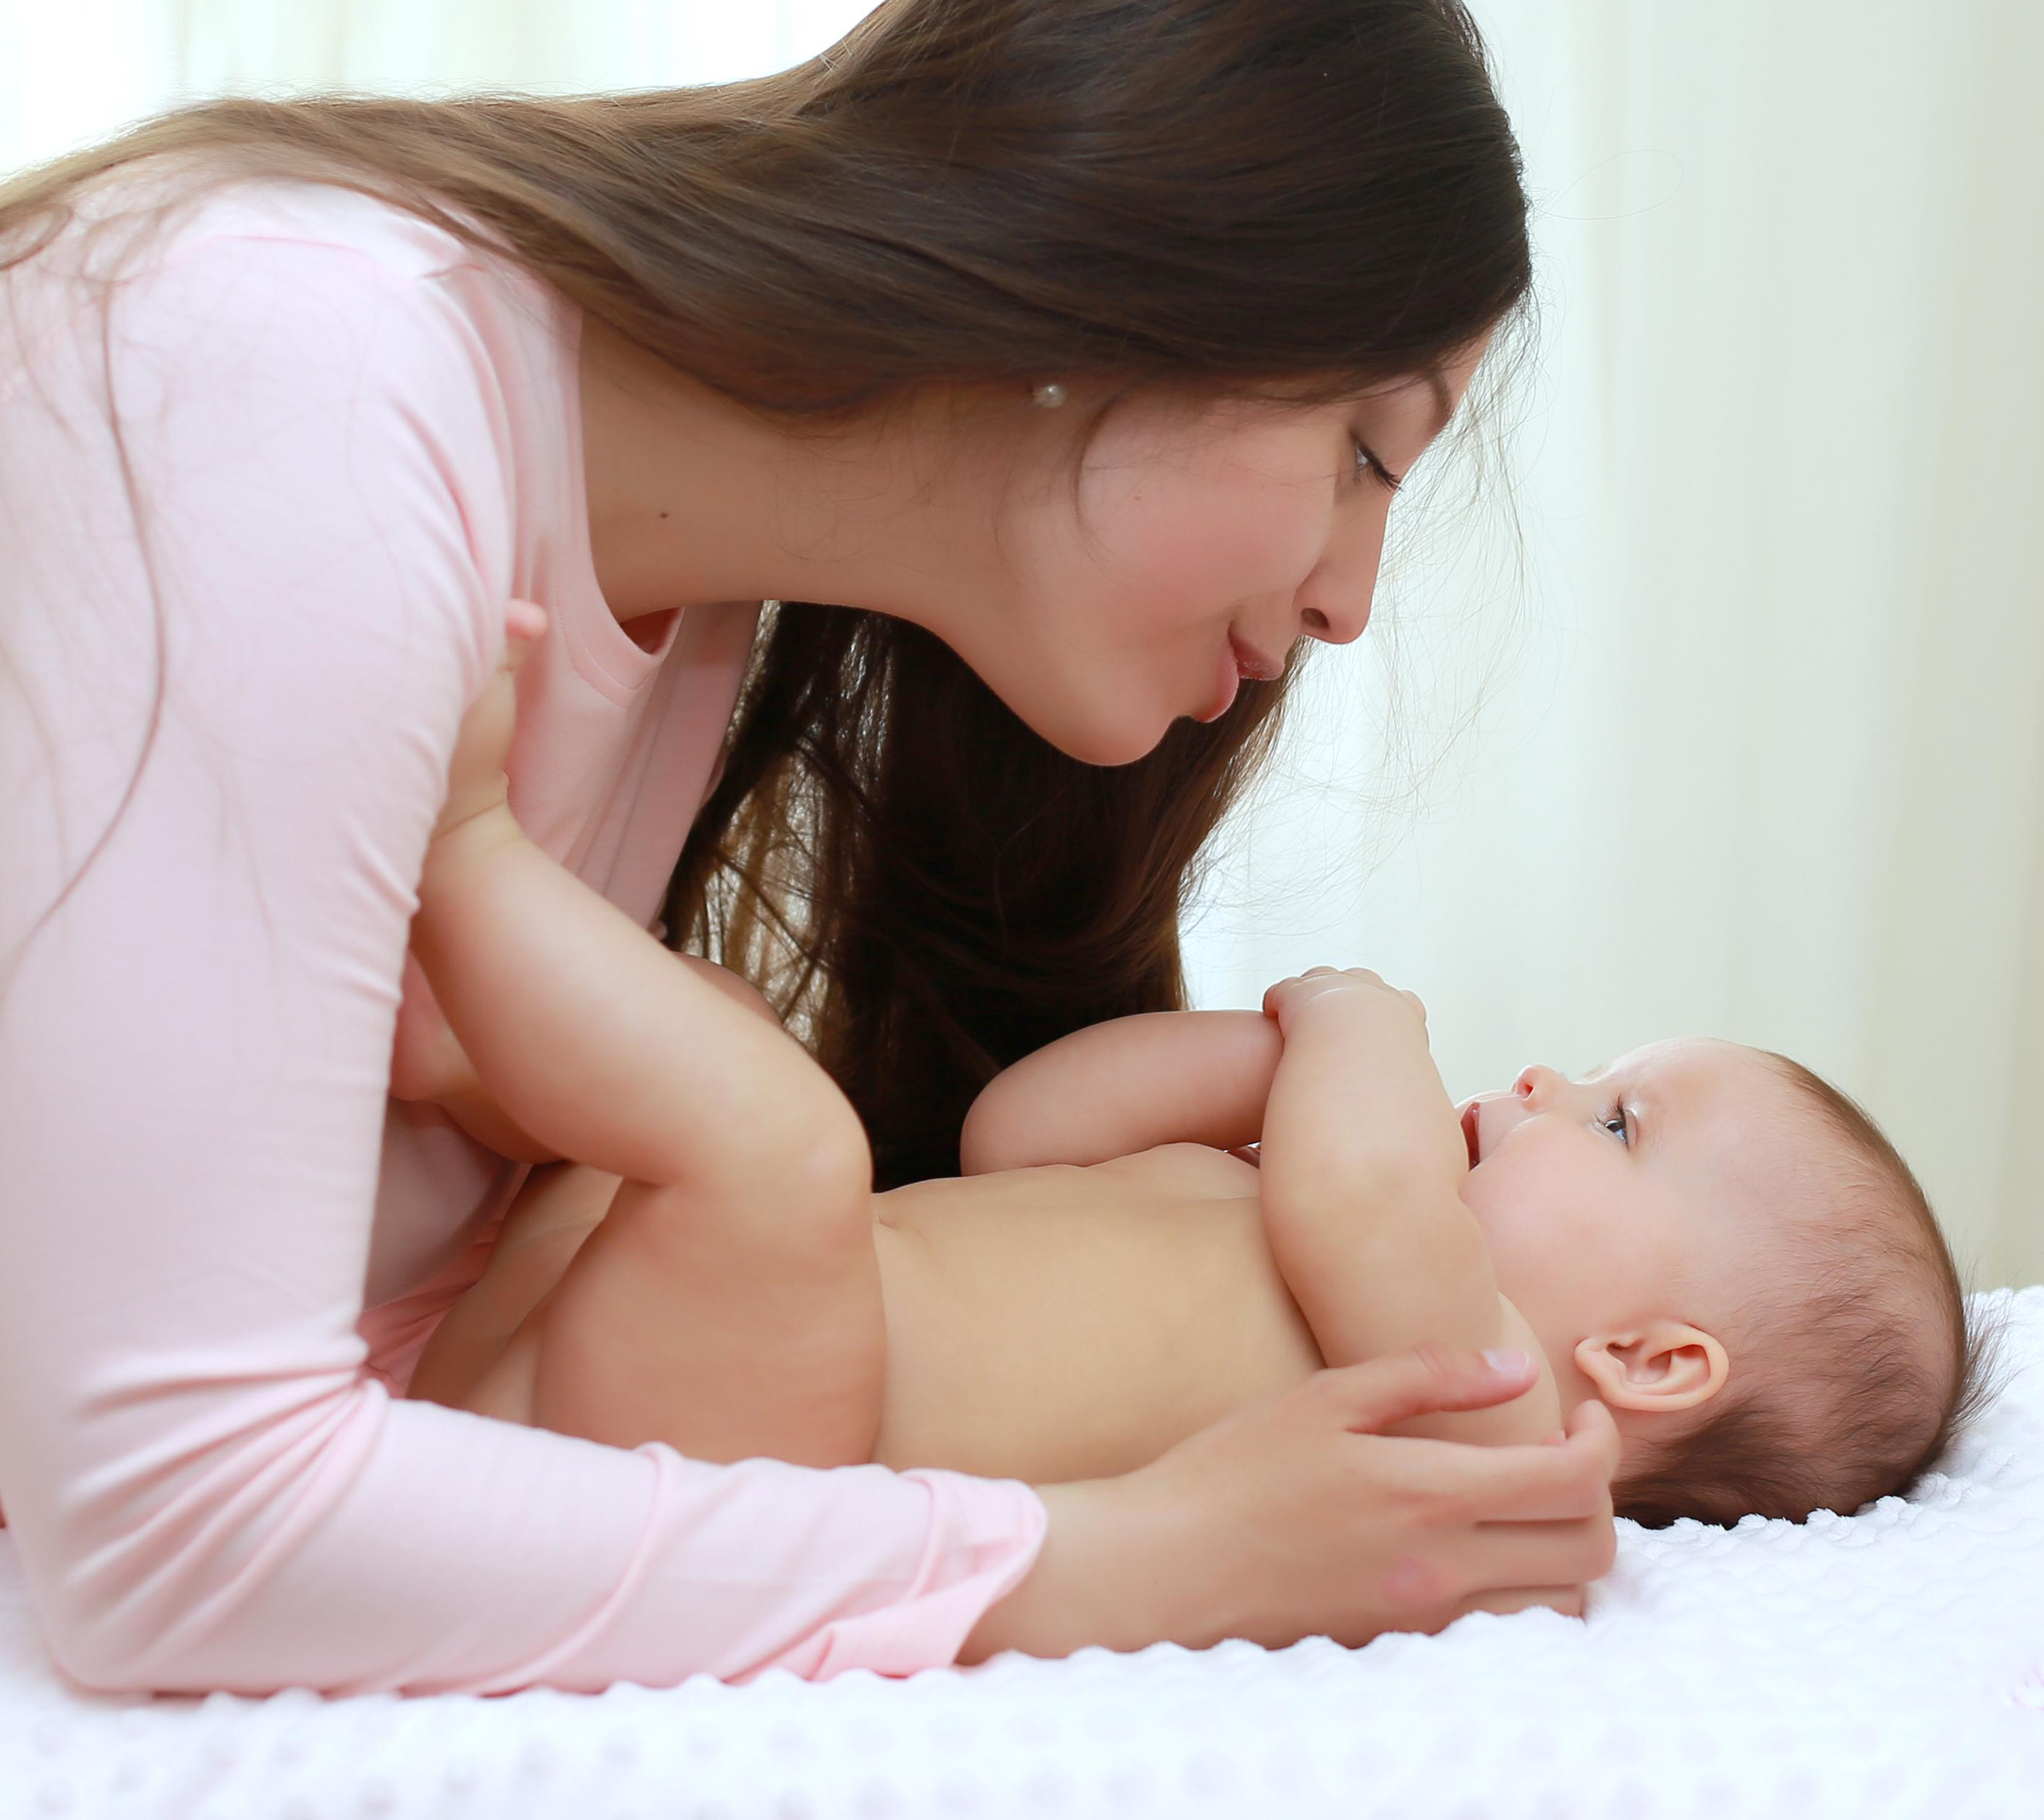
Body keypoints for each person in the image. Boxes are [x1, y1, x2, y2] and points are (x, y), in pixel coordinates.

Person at [0, 0, 1620, 1695]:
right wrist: (1117, 1556)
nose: (1348, 602)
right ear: (1122, 284)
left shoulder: (689, 598)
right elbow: (174, 1526)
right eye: (1365, 451)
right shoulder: (292, 370)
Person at [399, 631, 1982, 1532]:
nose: (1542, 1078)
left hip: (738, 1443)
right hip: (617, 1339)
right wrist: (1274, 1053)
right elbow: (1021, 1129)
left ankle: (458, 861)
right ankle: (447, 1049)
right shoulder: (1313, 1221)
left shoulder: (1494, 1421)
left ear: (1648, 1359)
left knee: (766, 1137)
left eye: (1616, 1120)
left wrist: (1359, 1014)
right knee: (719, 1028)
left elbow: (1361, 1191)